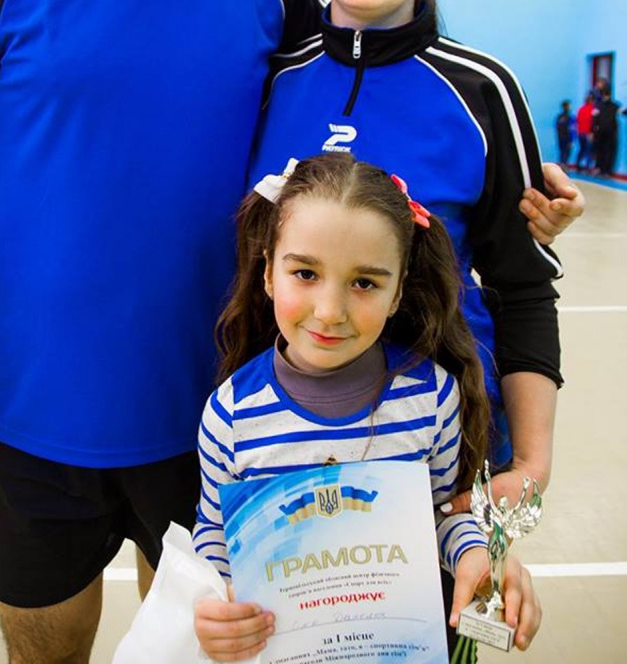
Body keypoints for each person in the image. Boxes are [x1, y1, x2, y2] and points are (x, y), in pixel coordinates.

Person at [0, 0, 579, 662]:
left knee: (207, 651)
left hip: (225, 422)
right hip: (33, 417)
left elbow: (372, 94)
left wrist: (520, 188)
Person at [249, 0, 563, 524]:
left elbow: (523, 287)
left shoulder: (483, 90)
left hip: (444, 448)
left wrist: (532, 464)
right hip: (283, 446)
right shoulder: (272, 79)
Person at [192, 154, 541, 662]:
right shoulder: (231, 415)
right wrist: (210, 603)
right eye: (305, 273)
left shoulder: (432, 398)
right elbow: (215, 533)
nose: (329, 312)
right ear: (268, 273)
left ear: (398, 291)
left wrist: (476, 555)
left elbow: (443, 513)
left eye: (364, 283)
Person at [592, 78, 620, 177]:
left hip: (611, 133)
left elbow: (623, 112)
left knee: (609, 152)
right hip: (600, 133)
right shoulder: (598, 106)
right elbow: (594, 119)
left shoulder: (615, 106)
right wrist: (593, 131)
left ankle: (606, 171)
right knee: (600, 151)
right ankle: (600, 168)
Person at [575, 91, 596, 172]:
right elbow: (593, 122)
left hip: (580, 133)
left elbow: (578, 120)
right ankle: (587, 167)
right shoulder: (593, 109)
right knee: (589, 151)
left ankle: (578, 165)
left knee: (581, 149)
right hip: (588, 133)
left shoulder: (581, 109)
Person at [554, 99, 574, 166]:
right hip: (566, 140)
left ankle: (562, 165)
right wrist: (571, 140)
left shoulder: (559, 117)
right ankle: (563, 166)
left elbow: (557, 128)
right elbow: (571, 130)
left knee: (562, 154)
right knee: (566, 154)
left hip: (560, 139)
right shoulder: (569, 118)